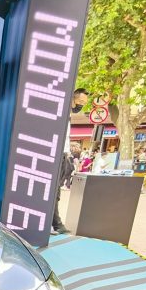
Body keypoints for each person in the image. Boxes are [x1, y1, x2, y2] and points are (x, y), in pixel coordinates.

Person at [52, 88, 90, 234]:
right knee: (55, 192)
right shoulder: (61, 113)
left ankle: (56, 222)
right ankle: (57, 223)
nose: (81, 105)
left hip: (64, 155)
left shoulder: (67, 117)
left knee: (57, 192)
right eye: (80, 101)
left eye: (84, 103)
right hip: (58, 155)